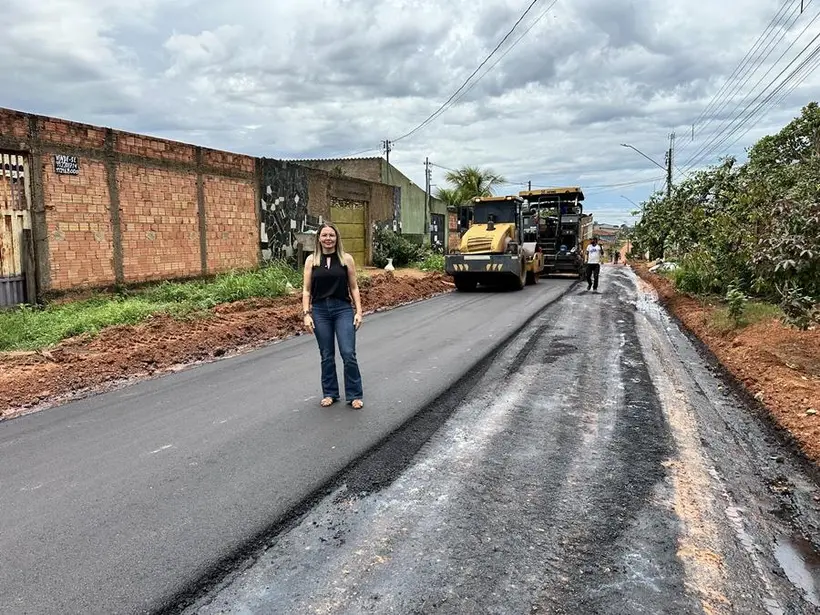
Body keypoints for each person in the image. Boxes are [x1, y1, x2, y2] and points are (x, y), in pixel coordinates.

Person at [302, 223, 364, 409]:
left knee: (348, 353)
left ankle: (354, 394)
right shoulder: (311, 260)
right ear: (318, 239)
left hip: (342, 309)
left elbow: (353, 287)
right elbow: (306, 290)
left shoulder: (346, 259)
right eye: (324, 235)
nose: (328, 239)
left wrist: (359, 311)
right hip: (320, 311)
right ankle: (330, 393)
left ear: (337, 238)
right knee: (326, 355)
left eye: (331, 235)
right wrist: (306, 313)